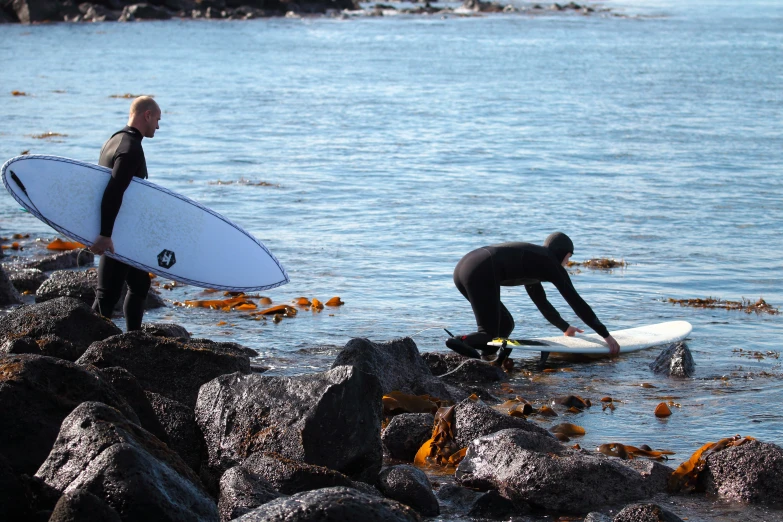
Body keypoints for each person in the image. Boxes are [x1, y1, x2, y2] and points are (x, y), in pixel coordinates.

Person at [448, 232, 621, 358]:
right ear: (564, 253)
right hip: (480, 270)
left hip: (464, 268)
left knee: (506, 325)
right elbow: (576, 302)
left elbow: (541, 301)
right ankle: (460, 340)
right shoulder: (550, 263)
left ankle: (486, 358)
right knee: (488, 333)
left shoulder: (536, 261)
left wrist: (565, 328)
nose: (567, 263)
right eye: (568, 258)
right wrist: (605, 335)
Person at [89, 96, 161, 331]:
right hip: (117, 232)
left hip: (125, 230)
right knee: (105, 299)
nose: (158, 126)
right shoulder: (130, 148)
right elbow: (113, 190)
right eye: (157, 120)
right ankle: (85, 351)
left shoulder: (115, 140)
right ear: (147, 115)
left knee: (140, 285)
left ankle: (133, 340)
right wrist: (105, 234)